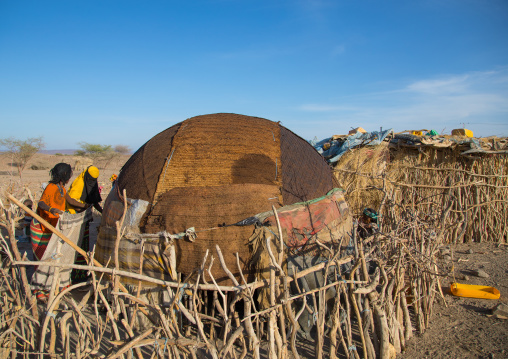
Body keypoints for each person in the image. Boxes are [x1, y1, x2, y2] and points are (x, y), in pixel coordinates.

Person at [30, 163, 87, 300]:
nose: (69, 178)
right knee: (44, 258)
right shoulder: (51, 187)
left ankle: (51, 286)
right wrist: (52, 210)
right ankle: (38, 289)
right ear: (64, 175)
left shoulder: (61, 188)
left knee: (54, 256)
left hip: (54, 226)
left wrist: (85, 206)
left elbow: (70, 201)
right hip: (42, 227)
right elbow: (41, 203)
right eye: (69, 175)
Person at [66, 165, 103, 284]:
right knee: (72, 245)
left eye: (94, 179)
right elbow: (70, 200)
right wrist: (84, 206)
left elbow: (94, 200)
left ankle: (80, 275)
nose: (92, 182)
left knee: (83, 245)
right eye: (91, 178)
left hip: (84, 218)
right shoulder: (79, 183)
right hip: (73, 216)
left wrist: (103, 212)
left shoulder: (91, 184)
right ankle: (69, 275)